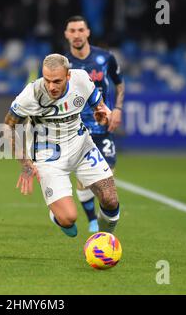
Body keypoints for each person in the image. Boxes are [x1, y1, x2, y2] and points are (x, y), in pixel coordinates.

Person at [3, 54, 121, 237]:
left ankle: (105, 241)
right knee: (68, 219)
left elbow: (99, 105)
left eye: (57, 81)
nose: (51, 86)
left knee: (110, 200)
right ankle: (57, 215)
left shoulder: (81, 79)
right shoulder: (31, 95)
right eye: (47, 80)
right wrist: (24, 163)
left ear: (68, 76)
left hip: (81, 147)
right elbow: (9, 126)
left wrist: (102, 113)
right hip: (48, 158)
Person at [63, 15, 125, 232]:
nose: (77, 34)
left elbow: (119, 84)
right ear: (66, 34)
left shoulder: (106, 58)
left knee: (107, 180)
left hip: (103, 128)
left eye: (81, 30)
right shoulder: (63, 63)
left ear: (88, 32)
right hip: (77, 131)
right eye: (73, 30)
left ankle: (102, 222)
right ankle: (92, 219)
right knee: (85, 181)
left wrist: (117, 109)